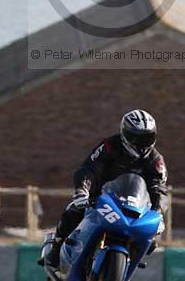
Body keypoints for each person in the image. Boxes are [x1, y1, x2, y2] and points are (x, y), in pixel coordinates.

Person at [46, 109, 168, 269]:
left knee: (150, 242)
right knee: (73, 211)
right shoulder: (110, 146)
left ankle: (123, 273)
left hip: (135, 209)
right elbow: (88, 169)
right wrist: (82, 191)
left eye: (147, 138)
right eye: (136, 138)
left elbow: (159, 188)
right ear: (125, 134)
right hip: (102, 199)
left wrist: (158, 212)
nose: (141, 144)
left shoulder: (156, 161)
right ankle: (55, 248)